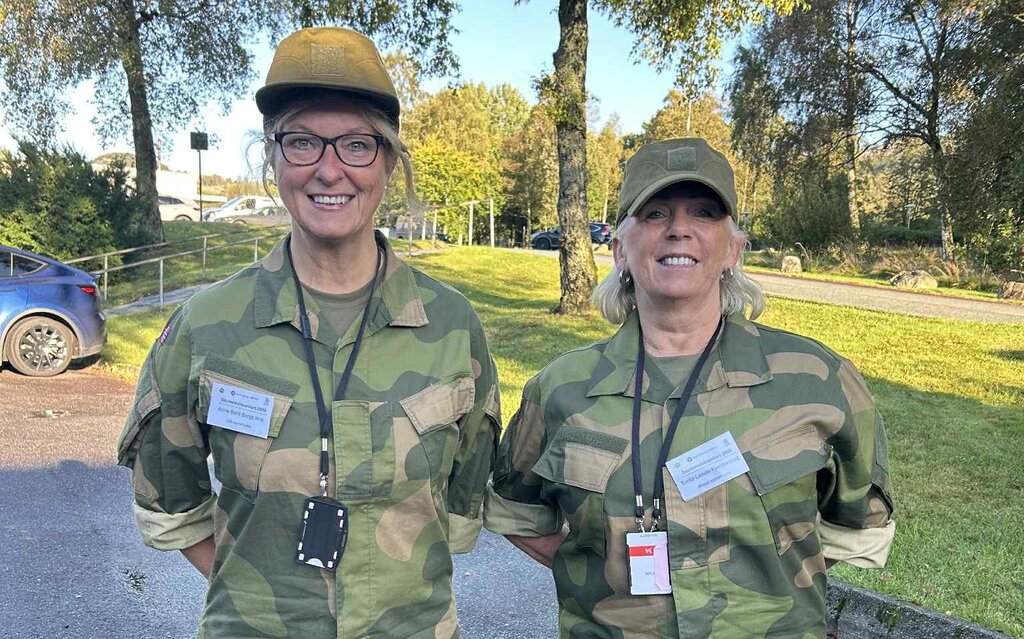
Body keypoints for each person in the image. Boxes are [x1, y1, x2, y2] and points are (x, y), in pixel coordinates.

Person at [116, 27, 501, 639]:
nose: (328, 170)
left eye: (357, 145)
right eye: (301, 143)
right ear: (272, 159)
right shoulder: (206, 327)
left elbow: (457, 511)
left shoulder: (454, 328)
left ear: (389, 162)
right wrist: (267, 601)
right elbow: (173, 503)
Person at [484, 138, 894, 638]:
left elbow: (858, 521)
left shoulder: (816, 379)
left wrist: (765, 587)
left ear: (733, 249)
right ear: (620, 250)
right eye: (655, 214)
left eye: (703, 213)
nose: (679, 229)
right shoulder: (560, 389)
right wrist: (606, 585)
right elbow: (518, 514)